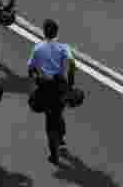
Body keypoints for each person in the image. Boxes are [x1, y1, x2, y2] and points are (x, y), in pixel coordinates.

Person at [28, 19, 76, 165]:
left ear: (44, 32)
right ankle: (60, 137)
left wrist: (36, 78)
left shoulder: (37, 48)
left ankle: (53, 153)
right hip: (60, 85)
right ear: (56, 32)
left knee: (49, 118)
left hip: (44, 86)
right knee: (58, 111)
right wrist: (70, 82)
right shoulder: (63, 47)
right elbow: (72, 64)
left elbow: (31, 68)